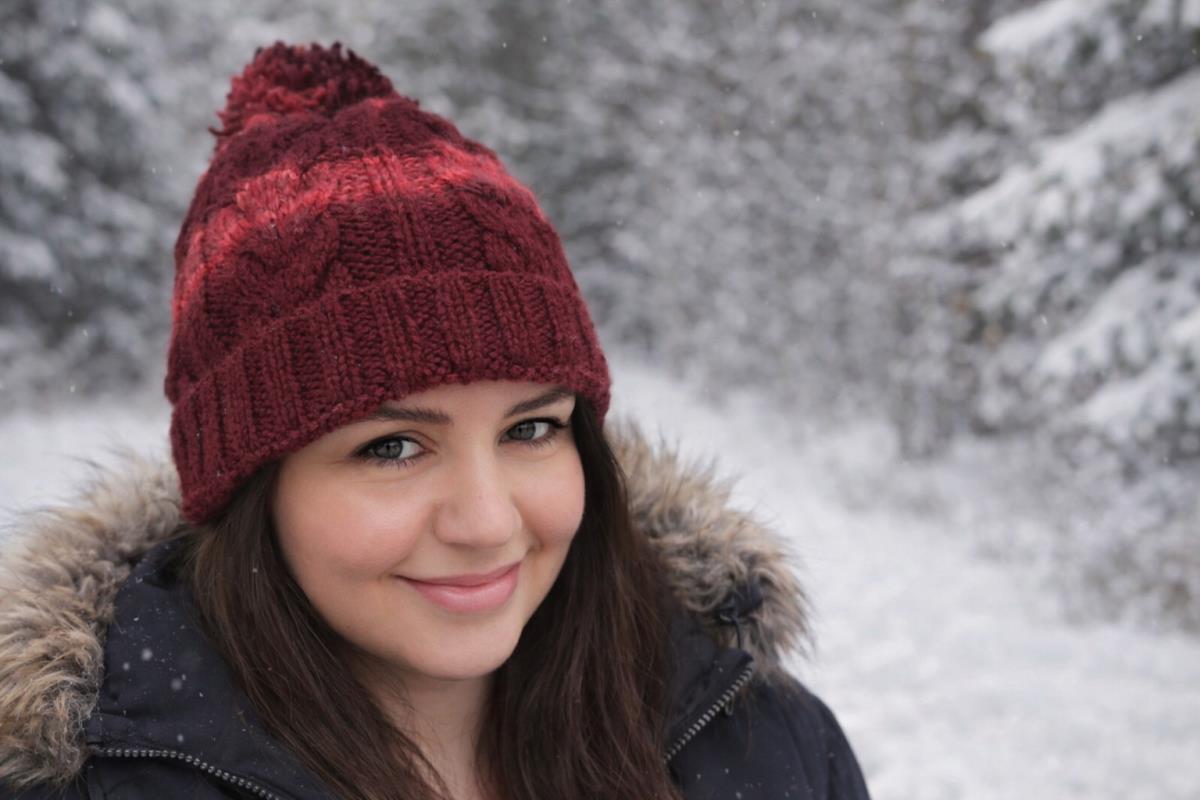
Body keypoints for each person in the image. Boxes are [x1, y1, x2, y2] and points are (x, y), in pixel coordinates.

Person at [0, 41, 871, 800]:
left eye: (531, 429)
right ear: (249, 490)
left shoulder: (765, 746)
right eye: (393, 447)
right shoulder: (92, 784)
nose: (488, 521)